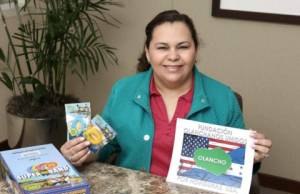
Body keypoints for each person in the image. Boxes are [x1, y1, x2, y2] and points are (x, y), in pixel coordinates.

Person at [61, 10, 272, 178]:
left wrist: (250, 156)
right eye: (162, 47)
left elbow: (236, 168)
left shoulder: (223, 97)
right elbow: (103, 148)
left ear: (195, 50)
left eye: (183, 47)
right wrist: (80, 152)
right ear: (148, 52)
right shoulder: (123, 90)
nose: (173, 56)